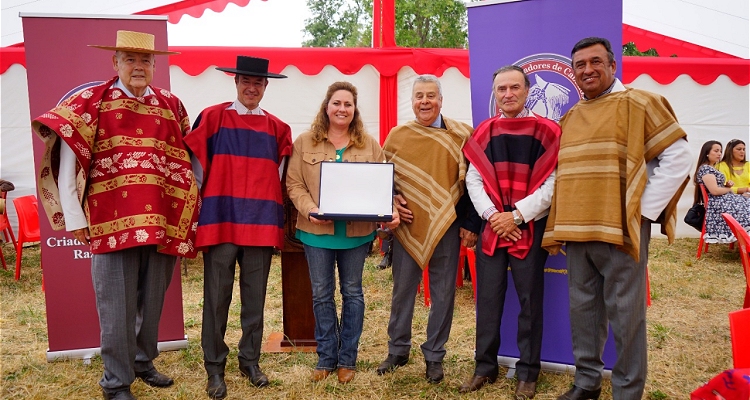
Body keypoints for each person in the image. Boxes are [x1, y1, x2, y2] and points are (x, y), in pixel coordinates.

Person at [31, 30, 199, 400]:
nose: (138, 67)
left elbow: (189, 159)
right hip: (109, 224)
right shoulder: (91, 102)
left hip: (162, 222)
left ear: (155, 65)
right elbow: (69, 161)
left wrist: (192, 210)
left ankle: (142, 361)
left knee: (152, 301)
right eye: (129, 59)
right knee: (116, 308)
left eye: (145, 60)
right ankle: (116, 382)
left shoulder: (172, 104)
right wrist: (74, 219)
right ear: (115, 63)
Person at [542, 37, 692, 400]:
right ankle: (587, 382)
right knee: (584, 313)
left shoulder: (640, 102)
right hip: (577, 229)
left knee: (626, 317)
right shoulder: (571, 116)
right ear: (573, 72)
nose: (588, 70)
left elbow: (680, 157)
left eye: (596, 62)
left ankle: (626, 391)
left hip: (621, 230)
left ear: (612, 65)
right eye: (580, 64)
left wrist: (641, 212)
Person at [183, 56, 291, 399]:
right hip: (221, 221)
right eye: (246, 80)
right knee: (216, 298)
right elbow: (193, 174)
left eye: (258, 83)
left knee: (255, 300)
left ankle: (250, 360)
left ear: (266, 87)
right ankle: (214, 368)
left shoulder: (278, 128)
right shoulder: (212, 119)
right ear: (235, 82)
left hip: (258, 224)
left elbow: (281, 180)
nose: (251, 87)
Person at [286, 81, 400, 384]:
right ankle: (326, 358)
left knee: (352, 293)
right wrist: (310, 209)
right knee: (322, 295)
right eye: (337, 103)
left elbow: (381, 184)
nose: (342, 109)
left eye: (348, 104)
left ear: (354, 109)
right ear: (327, 107)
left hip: (356, 235)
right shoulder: (305, 141)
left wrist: (388, 209)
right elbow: (294, 183)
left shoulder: (369, 144)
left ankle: (348, 358)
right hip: (315, 232)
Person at [459, 65, 560, 398]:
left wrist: (516, 216)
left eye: (514, 87)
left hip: (527, 229)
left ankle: (528, 374)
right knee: (487, 301)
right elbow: (473, 179)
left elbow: (552, 183)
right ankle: (484, 367)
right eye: (501, 89)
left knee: (531, 303)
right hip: (493, 228)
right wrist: (493, 216)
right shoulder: (485, 130)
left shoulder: (547, 131)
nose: (508, 94)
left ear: (528, 90)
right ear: (495, 93)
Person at [377, 74, 481, 384]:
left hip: (447, 225)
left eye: (431, 96)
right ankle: (398, 350)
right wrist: (391, 199)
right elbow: (383, 179)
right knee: (402, 292)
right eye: (419, 96)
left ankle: (434, 355)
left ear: (441, 100)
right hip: (407, 226)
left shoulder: (461, 135)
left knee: (443, 293)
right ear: (412, 102)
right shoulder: (397, 136)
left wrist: (470, 224)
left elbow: (474, 183)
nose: (425, 101)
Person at [693, 140, 750, 243]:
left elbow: (716, 186)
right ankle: (746, 240)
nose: (719, 154)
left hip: (724, 199)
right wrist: (729, 189)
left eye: (720, 151)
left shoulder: (711, 168)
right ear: (707, 153)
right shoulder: (706, 169)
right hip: (719, 202)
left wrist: (726, 185)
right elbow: (714, 191)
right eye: (716, 151)